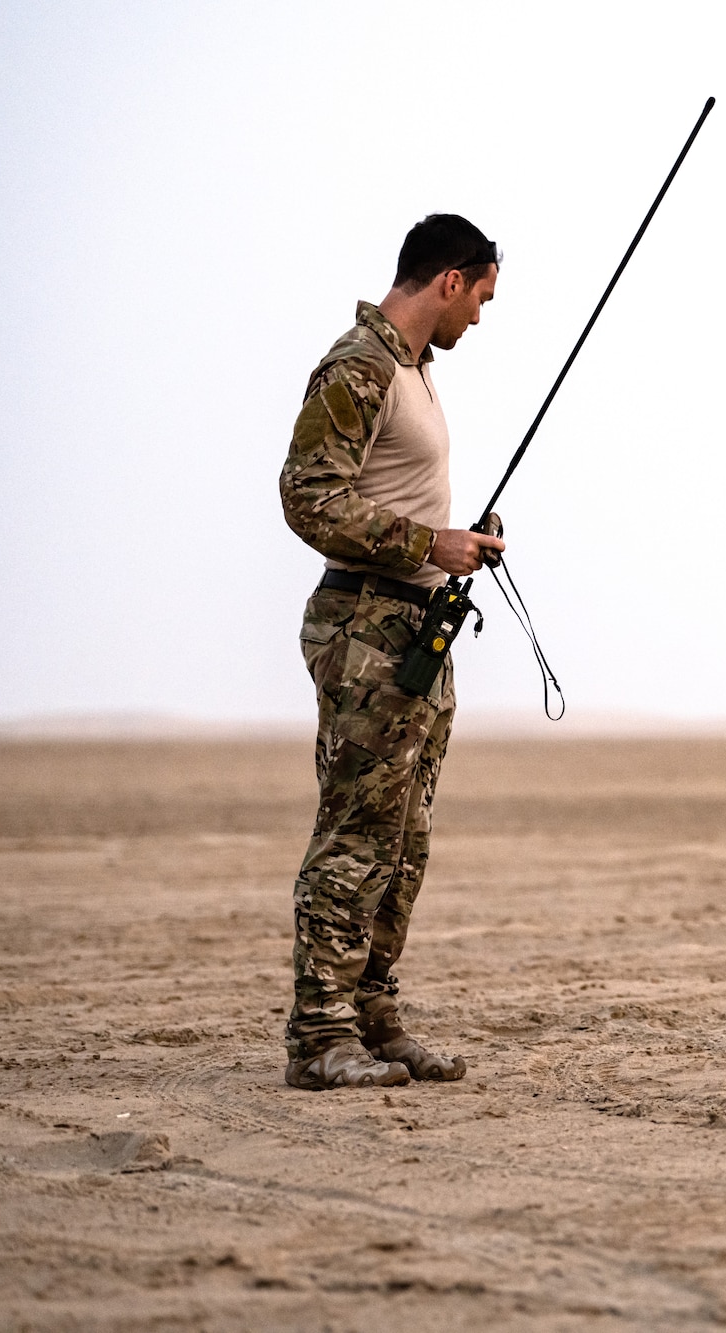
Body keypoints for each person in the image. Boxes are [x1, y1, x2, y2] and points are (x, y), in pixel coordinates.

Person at [276, 214, 508, 1091]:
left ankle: (372, 1017)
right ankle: (319, 1037)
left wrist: (460, 542)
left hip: (416, 630)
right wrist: (425, 544)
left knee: (403, 842)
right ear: (451, 279)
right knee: (355, 835)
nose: (480, 320)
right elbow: (307, 498)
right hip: (366, 629)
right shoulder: (360, 364)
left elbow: (387, 500)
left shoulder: (413, 372)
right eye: (482, 298)